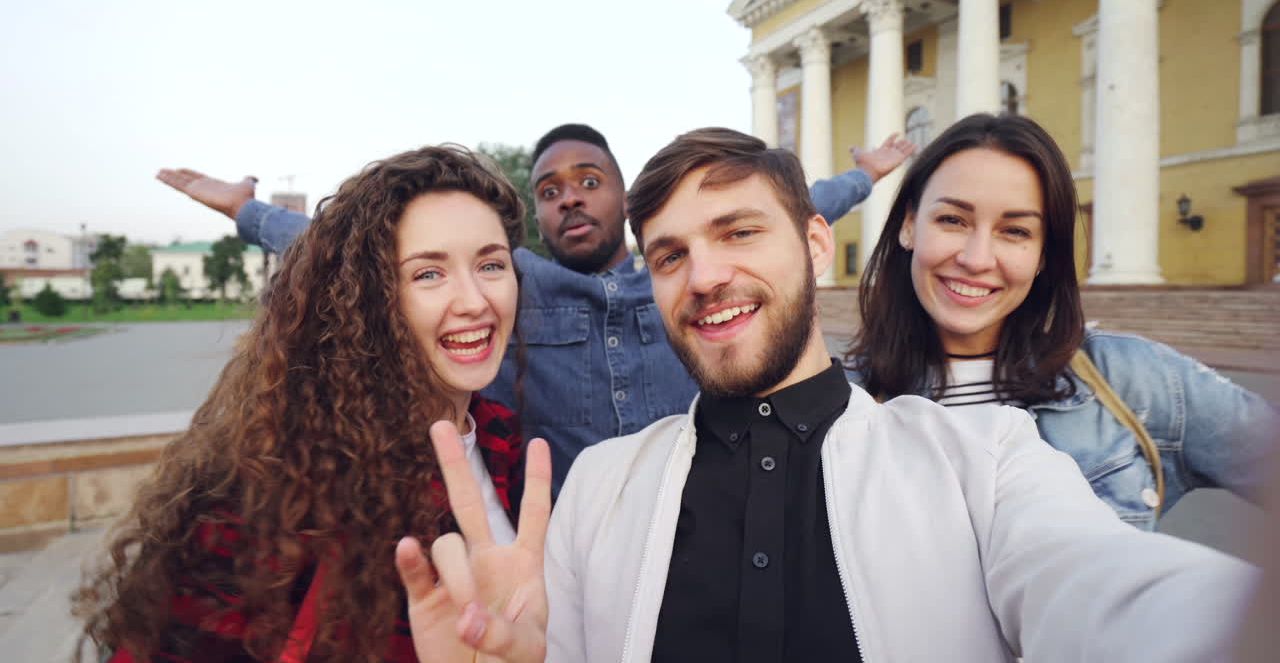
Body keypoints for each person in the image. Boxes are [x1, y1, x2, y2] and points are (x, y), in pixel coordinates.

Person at [396, 127, 1258, 663]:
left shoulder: (984, 458)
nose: (706, 276)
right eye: (669, 256)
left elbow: (1102, 586)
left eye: (739, 232)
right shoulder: (598, 488)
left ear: (815, 245)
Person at [157, 124, 916, 492]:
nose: (570, 197)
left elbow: (788, 208)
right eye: (549, 190)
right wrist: (248, 213)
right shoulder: (512, 283)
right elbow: (364, 250)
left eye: (589, 179)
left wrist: (869, 178)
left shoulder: (685, 275)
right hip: (567, 539)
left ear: (626, 200)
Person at [76, 146, 551, 663]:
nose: (475, 300)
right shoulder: (274, 490)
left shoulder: (505, 439)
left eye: (491, 264)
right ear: (372, 299)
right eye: (428, 274)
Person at [846, 113, 1278, 529]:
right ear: (908, 226)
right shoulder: (845, 403)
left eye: (1015, 231)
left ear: (1043, 256)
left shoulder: (1134, 379)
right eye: (952, 220)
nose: (976, 259)